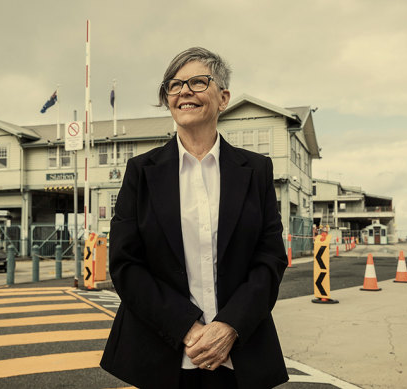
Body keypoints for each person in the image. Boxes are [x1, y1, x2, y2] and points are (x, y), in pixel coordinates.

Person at [100, 47, 289, 389]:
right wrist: (187, 328)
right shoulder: (141, 172)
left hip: (239, 354)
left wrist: (229, 326)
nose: (184, 91)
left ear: (223, 98)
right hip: (161, 356)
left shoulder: (256, 170)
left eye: (198, 82)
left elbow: (270, 258)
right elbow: (125, 264)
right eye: (174, 85)